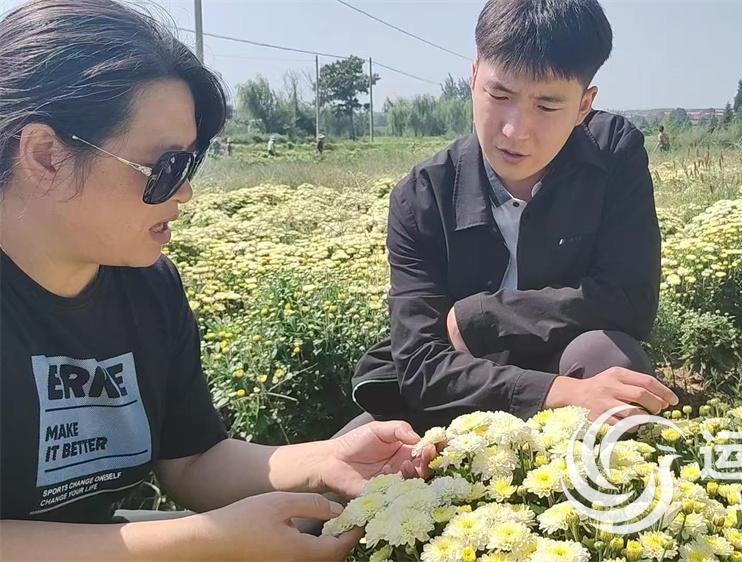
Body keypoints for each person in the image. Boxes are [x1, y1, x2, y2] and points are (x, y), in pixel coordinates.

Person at [0, 2, 433, 560]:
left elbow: (193, 460)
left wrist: (325, 461)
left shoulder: (147, 287)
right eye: (165, 167)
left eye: (191, 163)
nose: (185, 192)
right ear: (45, 156)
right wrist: (204, 540)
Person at [345, 0, 678, 437]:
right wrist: (554, 393)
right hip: (459, 392)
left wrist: (482, 318)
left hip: (574, 364)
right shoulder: (423, 196)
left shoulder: (611, 154)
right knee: (343, 462)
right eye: (499, 96)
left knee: (608, 357)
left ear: (584, 106)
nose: (514, 131)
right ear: (473, 78)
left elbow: (631, 301)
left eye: (547, 106)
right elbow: (421, 366)